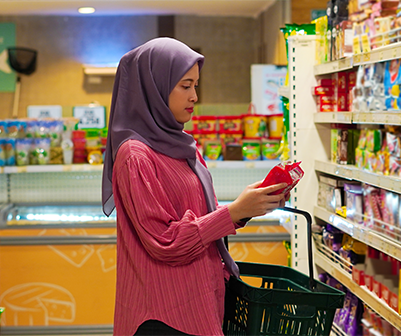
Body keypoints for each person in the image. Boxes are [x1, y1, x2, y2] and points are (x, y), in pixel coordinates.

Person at [102, 37, 289, 336]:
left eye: (196, 85)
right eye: (185, 85)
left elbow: (199, 217)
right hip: (162, 315)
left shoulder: (181, 145)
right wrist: (232, 212)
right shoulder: (135, 156)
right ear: (156, 87)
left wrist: (249, 206)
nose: (194, 97)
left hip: (199, 301)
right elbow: (165, 242)